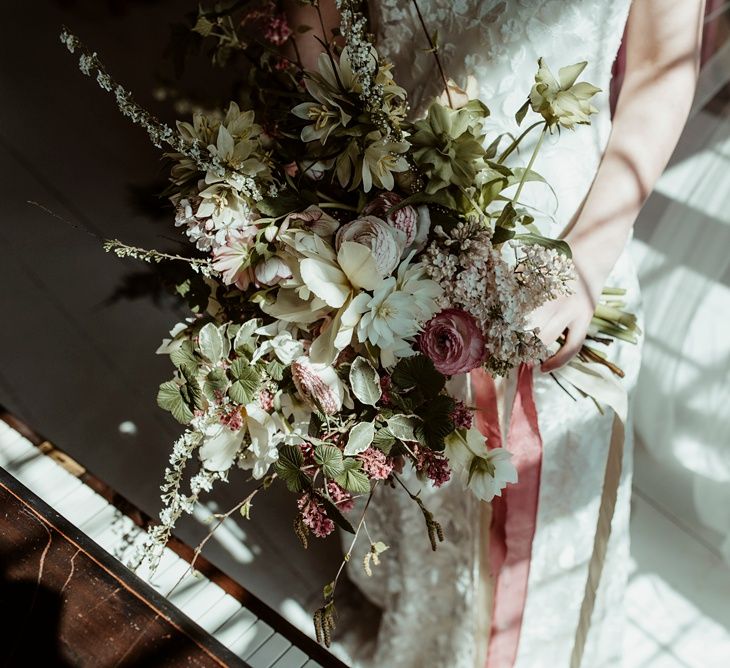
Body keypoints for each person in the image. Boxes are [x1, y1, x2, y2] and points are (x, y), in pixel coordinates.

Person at [285, 1, 705, 666]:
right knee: (406, 478)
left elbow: (662, 65)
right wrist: (339, 174)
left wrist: (586, 266)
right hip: (382, 222)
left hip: (557, 256)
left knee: (530, 521)